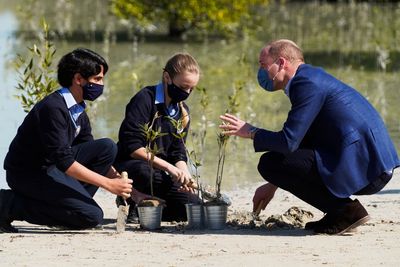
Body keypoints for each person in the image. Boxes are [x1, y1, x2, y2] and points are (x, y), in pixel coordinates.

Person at [219, 39, 399, 235]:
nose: (260, 71)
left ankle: (345, 211)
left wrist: (251, 132)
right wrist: (273, 185)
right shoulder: (309, 78)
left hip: (368, 169)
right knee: (275, 163)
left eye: (263, 64)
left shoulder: (306, 83)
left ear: (281, 63)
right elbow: (302, 139)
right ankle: (339, 211)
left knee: (269, 163)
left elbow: (288, 142)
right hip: (372, 164)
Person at [0, 48, 148, 233]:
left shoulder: (78, 110)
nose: (101, 85)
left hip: (52, 168)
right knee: (91, 216)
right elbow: (65, 161)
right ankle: (8, 204)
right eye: (97, 79)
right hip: (28, 174)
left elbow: (89, 152)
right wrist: (109, 185)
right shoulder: (53, 108)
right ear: (79, 79)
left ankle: (69, 207)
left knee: (107, 148)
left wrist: (132, 193)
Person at [115, 52, 201, 222]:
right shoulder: (144, 99)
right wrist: (169, 168)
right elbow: (132, 147)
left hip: (161, 171)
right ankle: (131, 198)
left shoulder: (183, 112)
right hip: (134, 165)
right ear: (167, 77)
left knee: (192, 208)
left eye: (192, 88)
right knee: (146, 173)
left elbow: (178, 151)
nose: (187, 92)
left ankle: (148, 207)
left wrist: (184, 174)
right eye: (184, 87)